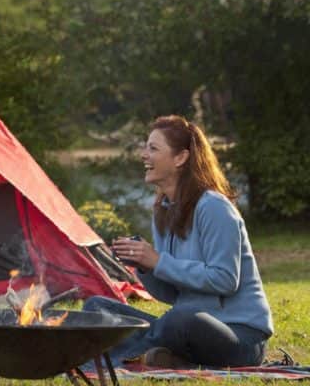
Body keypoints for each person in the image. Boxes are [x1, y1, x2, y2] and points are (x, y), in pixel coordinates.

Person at [84, 115, 273, 367]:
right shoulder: (163, 211)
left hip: (239, 337)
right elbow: (170, 293)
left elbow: (225, 279)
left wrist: (158, 260)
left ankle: (120, 357)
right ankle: (166, 357)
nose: (143, 155)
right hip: (187, 327)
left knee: (179, 319)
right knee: (97, 307)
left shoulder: (214, 207)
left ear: (180, 158)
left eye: (153, 148)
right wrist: (145, 266)